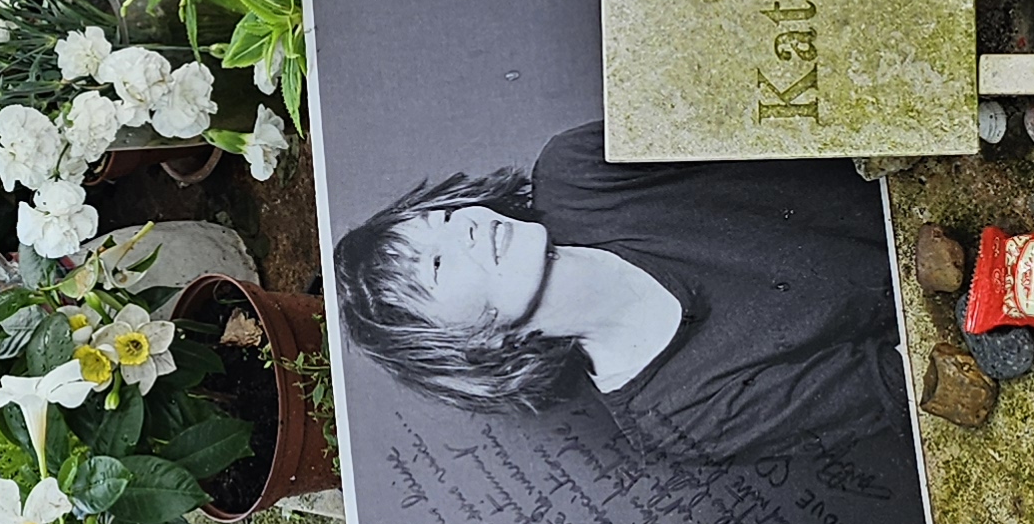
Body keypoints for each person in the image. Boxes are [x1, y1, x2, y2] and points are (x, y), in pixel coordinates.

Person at [331, 121, 911, 466]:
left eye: (444, 218)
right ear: (465, 344)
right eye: (438, 265)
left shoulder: (578, 169)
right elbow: (897, 377)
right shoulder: (674, 415)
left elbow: (781, 112)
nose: (467, 229)